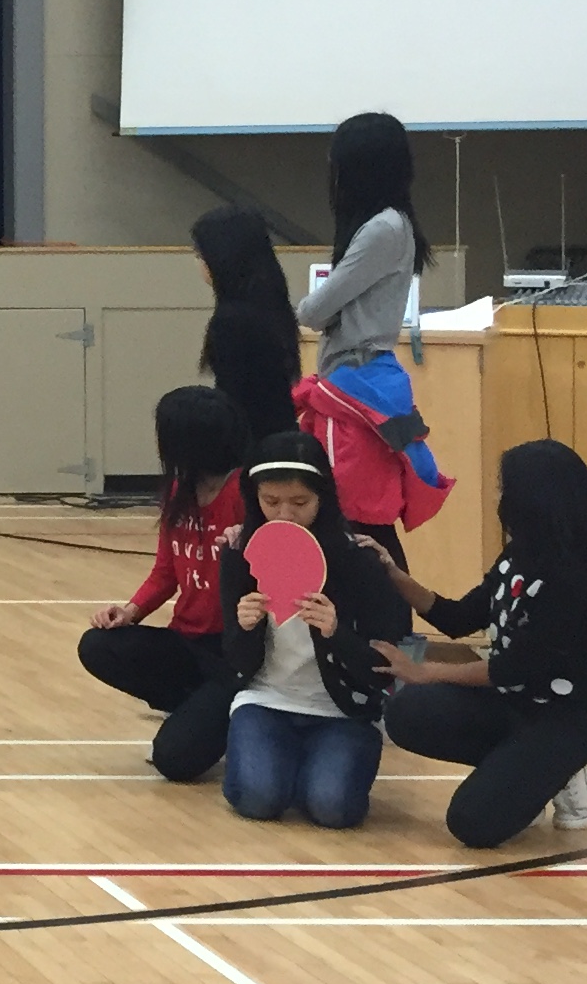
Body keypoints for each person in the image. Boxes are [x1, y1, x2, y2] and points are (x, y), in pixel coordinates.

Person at [374, 439, 587, 844]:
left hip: (565, 717)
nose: (498, 498)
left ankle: (560, 769)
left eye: (505, 489)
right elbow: (458, 618)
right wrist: (394, 575)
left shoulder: (571, 581)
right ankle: (528, 775)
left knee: (472, 823)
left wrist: (425, 671)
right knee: (407, 713)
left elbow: (511, 668)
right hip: (514, 704)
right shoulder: (519, 555)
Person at [215, 431, 402, 830]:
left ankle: (311, 769)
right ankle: (275, 766)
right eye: (271, 502)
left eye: (300, 503)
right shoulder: (240, 555)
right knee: (259, 798)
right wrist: (245, 628)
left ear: (322, 497)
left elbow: (383, 667)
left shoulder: (358, 559)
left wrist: (337, 632)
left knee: (333, 808)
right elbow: (235, 659)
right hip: (266, 701)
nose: (285, 513)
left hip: (342, 710)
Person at [294, 111, 448, 561]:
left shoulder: (383, 228)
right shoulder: (390, 224)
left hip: (357, 384)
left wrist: (301, 309)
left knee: (359, 515)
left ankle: (392, 606)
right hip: (362, 379)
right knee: (359, 516)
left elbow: (314, 311)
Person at [78, 385, 251, 780]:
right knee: (98, 645)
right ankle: (195, 706)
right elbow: (166, 572)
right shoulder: (178, 490)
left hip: (233, 651)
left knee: (174, 761)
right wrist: (130, 611)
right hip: (186, 641)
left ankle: (231, 708)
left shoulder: (244, 492)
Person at [191, 203, 301, 440]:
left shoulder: (232, 320)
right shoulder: (271, 304)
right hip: (281, 436)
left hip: (252, 445)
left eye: (201, 254)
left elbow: (233, 402)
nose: (199, 262)